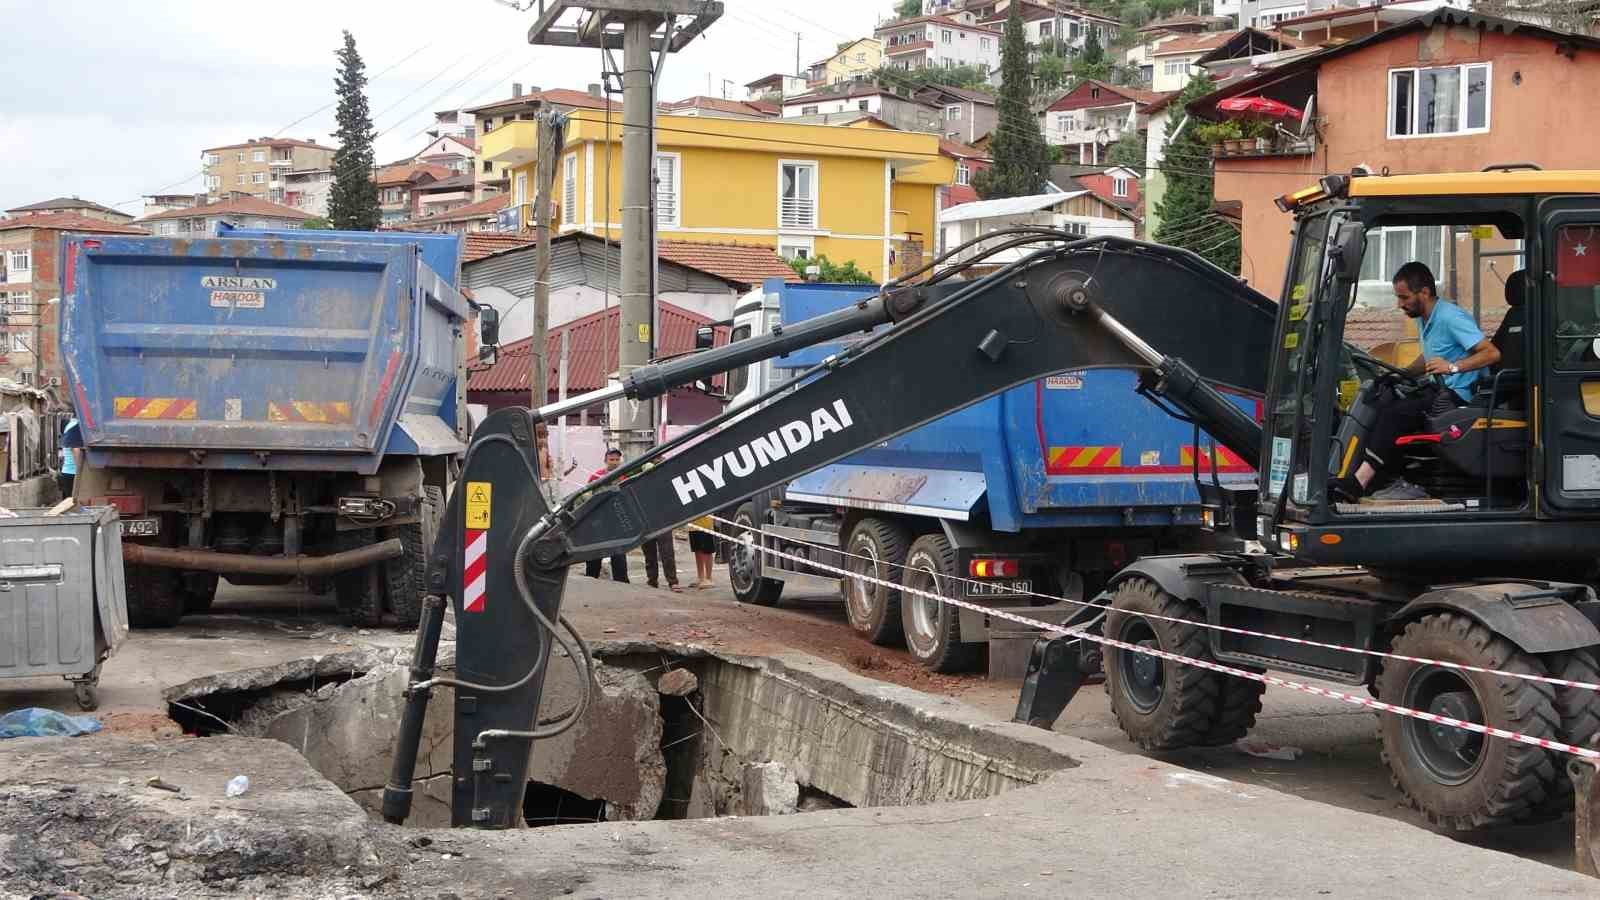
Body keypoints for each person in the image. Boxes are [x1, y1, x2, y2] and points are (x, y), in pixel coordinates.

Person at [1333, 262, 1501, 501]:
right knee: (1382, 399)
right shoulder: (1424, 318)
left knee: (1396, 413)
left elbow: (1491, 353)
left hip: (1459, 396)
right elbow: (1430, 356)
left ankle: (1360, 481)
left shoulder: (1451, 317)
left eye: (1404, 297)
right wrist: (1401, 373)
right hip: (1437, 389)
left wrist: (1452, 367)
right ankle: (1383, 480)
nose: (1399, 304)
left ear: (1424, 292)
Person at [583, 448, 630, 582]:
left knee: (619, 553)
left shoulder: (624, 476)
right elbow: (587, 497)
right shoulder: (596, 477)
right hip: (599, 521)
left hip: (618, 521)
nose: (614, 462)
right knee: (595, 553)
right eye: (611, 459)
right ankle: (591, 580)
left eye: (617, 459)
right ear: (605, 460)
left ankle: (622, 583)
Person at [688, 513, 716, 589]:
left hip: (705, 524)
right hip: (692, 524)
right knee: (697, 550)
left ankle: (708, 578)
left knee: (706, 551)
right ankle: (700, 577)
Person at [58, 417, 78, 501]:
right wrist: (81, 471)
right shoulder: (75, 426)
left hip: (69, 472)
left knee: (70, 504)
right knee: (72, 505)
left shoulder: (71, 425)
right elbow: (75, 450)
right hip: (73, 473)